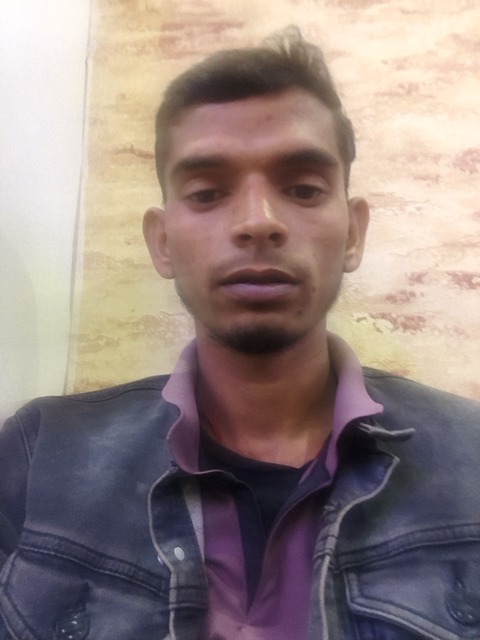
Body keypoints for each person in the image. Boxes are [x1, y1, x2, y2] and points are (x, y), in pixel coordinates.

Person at [1, 27, 480, 640]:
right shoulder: (38, 456)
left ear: (354, 234)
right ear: (161, 241)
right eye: (207, 193)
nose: (258, 222)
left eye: (302, 189)